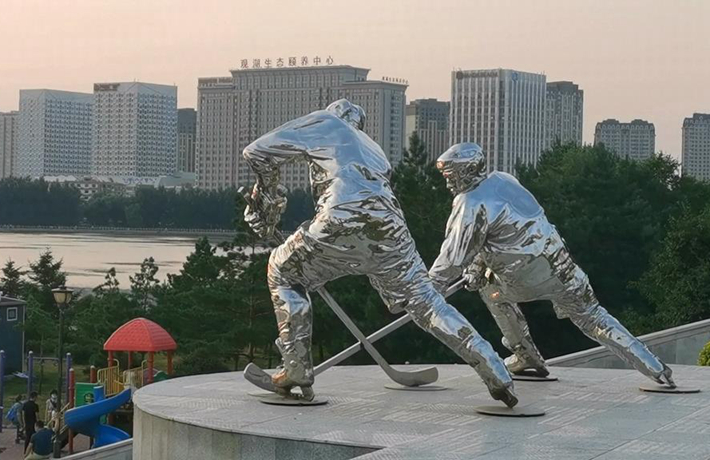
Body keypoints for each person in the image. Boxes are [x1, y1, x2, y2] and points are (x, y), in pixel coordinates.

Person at [242, 99, 517, 407]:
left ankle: (296, 370)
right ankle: (492, 366)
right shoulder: (373, 148)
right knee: (428, 304)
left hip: (341, 218)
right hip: (391, 230)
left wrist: (266, 200)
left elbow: (256, 152)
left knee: (283, 271)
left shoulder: (326, 122)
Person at [429, 142, 675, 386]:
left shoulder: (470, 203)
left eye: (451, 177)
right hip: (562, 267)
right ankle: (653, 365)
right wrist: (476, 268)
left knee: (491, 291)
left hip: (526, 278)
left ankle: (526, 355)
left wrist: (426, 290)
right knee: (593, 317)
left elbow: (452, 259)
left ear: (470, 171)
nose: (448, 184)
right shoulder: (504, 180)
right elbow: (500, 236)